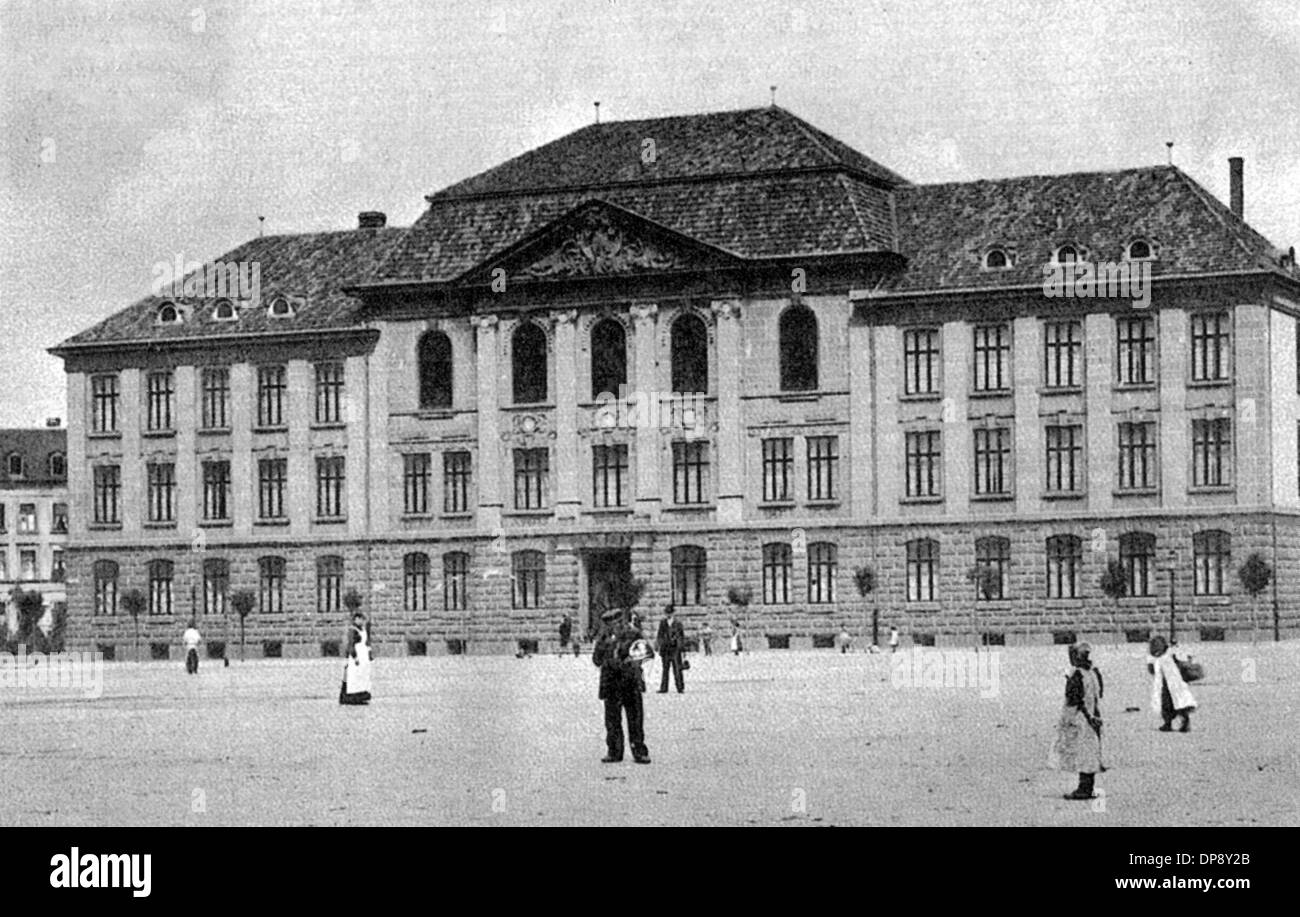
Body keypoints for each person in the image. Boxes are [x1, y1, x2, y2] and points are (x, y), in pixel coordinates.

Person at [593, 608, 652, 764]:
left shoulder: (633, 634)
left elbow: (648, 652)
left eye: (616, 623)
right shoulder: (604, 638)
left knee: (635, 719)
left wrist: (632, 661)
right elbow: (596, 660)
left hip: (630, 682)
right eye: (609, 624)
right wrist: (603, 646)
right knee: (612, 721)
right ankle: (614, 751)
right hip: (611, 683)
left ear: (621, 621)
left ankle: (639, 751)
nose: (613, 627)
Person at [1051, 643, 1104, 800]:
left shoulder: (1077, 675)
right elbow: (1099, 694)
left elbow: (1073, 699)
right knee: (1090, 751)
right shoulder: (1093, 673)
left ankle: (1084, 788)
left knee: (1084, 752)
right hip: (1093, 714)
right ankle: (1088, 786)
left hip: (1083, 717)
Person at [1147, 636, 1196, 732]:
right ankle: (1168, 723)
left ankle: (1183, 722)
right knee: (1167, 705)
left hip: (1174, 683)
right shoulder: (1156, 658)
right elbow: (1152, 670)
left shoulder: (1170, 654)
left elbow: (1182, 659)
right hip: (1164, 685)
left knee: (1180, 704)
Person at [340, 611, 373, 706]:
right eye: (361, 619)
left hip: (363, 655)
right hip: (357, 655)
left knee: (362, 676)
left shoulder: (362, 629)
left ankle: (362, 695)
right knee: (354, 677)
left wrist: (369, 654)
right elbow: (351, 644)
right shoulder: (352, 630)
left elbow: (366, 642)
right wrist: (355, 657)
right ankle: (351, 696)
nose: (362, 622)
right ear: (356, 619)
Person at [656, 605, 686, 693]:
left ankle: (680, 687)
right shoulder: (663, 622)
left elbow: (681, 636)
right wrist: (659, 645)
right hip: (665, 649)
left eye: (670, 613)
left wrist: (682, 648)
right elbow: (659, 635)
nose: (668, 615)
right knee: (665, 669)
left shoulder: (678, 623)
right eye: (667, 613)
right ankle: (664, 688)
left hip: (675, 648)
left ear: (673, 613)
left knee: (677, 668)